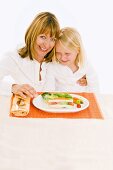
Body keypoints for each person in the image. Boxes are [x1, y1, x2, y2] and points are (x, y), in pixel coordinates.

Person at [0, 12, 87, 98]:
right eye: (43, 37)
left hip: (53, 108)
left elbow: (73, 71)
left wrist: (82, 78)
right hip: (26, 109)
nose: (47, 45)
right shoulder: (14, 58)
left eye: (52, 39)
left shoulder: (57, 57)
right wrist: (13, 87)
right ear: (32, 34)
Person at [42, 27, 99, 92]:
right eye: (58, 53)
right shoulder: (52, 67)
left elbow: (95, 88)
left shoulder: (85, 65)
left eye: (67, 54)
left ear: (78, 50)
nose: (62, 58)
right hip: (60, 101)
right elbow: (48, 90)